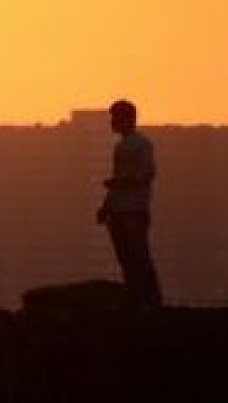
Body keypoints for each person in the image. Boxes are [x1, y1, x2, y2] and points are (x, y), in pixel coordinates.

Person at [95, 99, 162, 309]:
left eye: (115, 118)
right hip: (118, 209)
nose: (112, 122)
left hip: (134, 209)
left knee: (139, 255)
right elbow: (117, 179)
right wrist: (106, 206)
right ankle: (134, 296)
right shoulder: (121, 146)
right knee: (125, 257)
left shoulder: (142, 144)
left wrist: (122, 182)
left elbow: (147, 173)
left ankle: (150, 298)